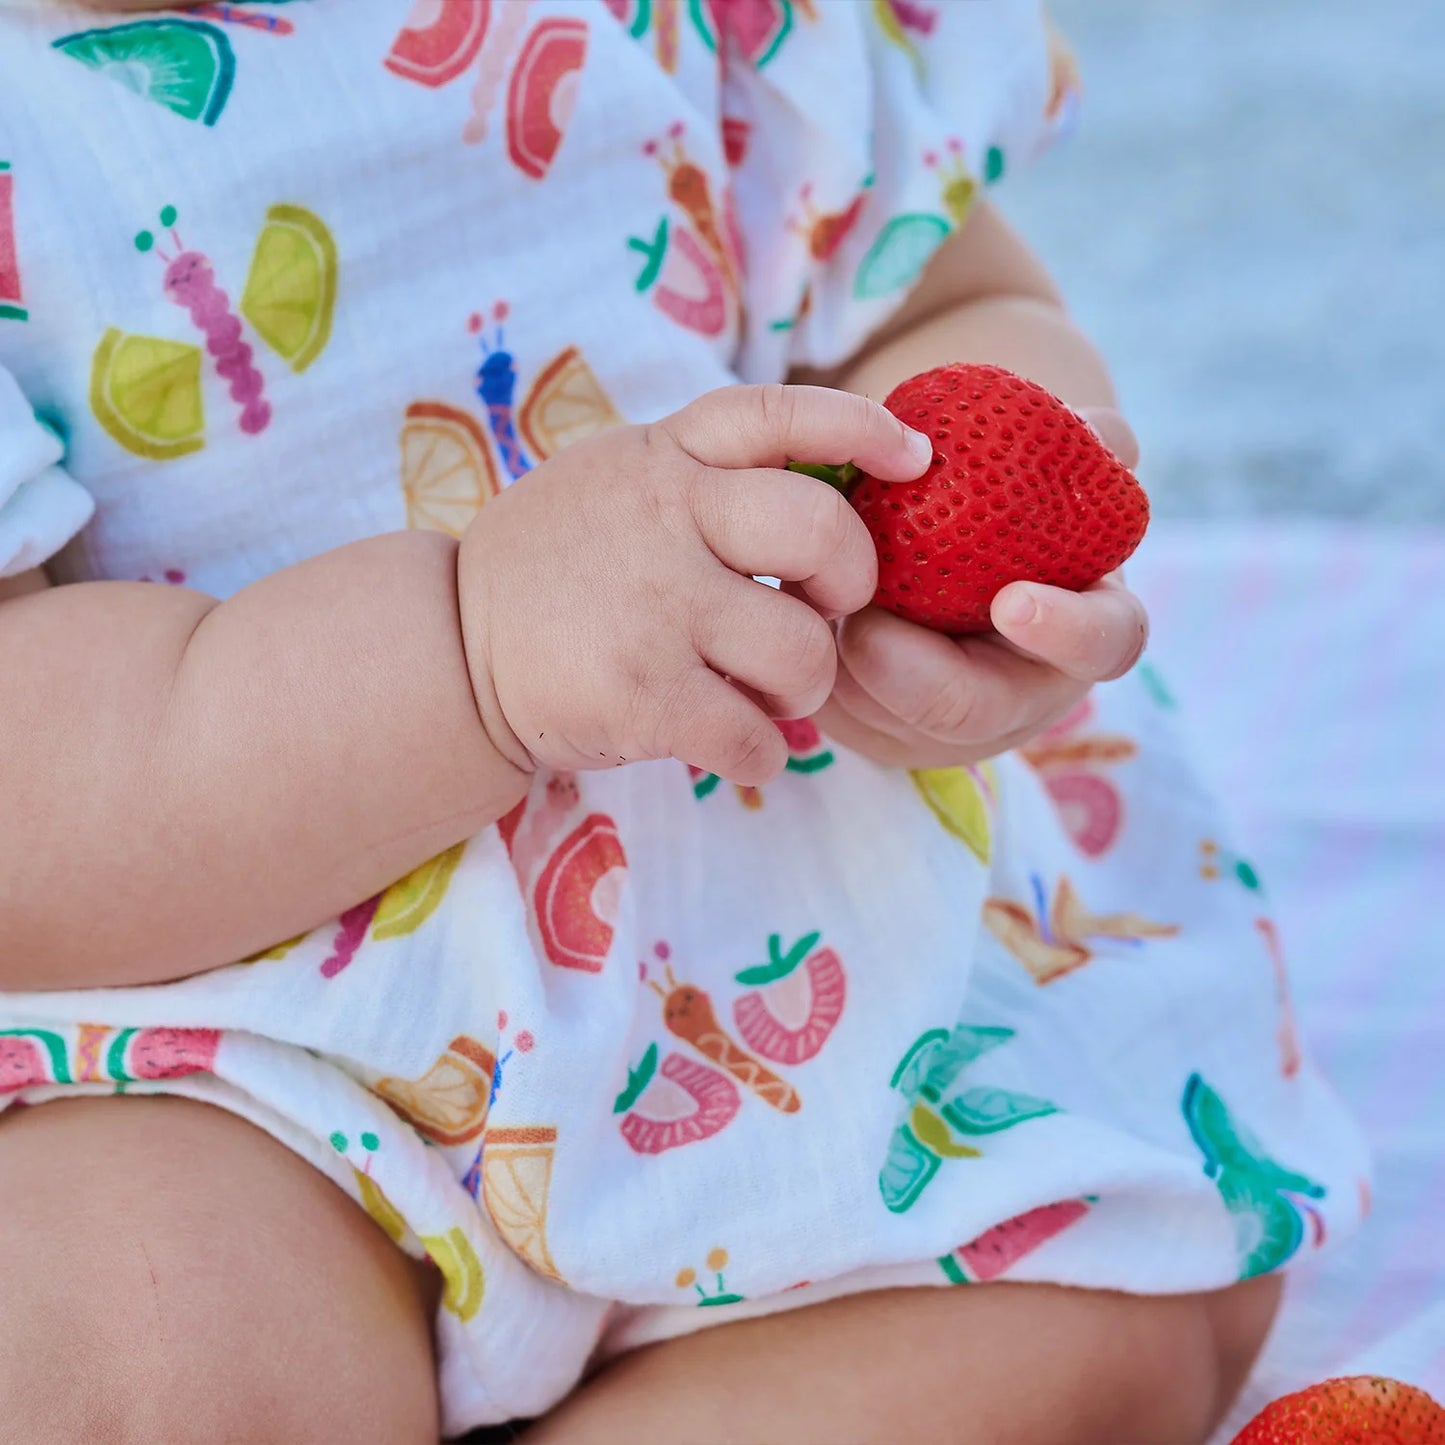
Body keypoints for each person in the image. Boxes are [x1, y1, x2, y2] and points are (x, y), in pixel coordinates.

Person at [0, 1, 1367, 1439]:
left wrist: (931, 553)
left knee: (1123, 1322)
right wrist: (475, 650)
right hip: (214, 1028)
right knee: (144, 1342)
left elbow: (941, 297)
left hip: (787, 920)